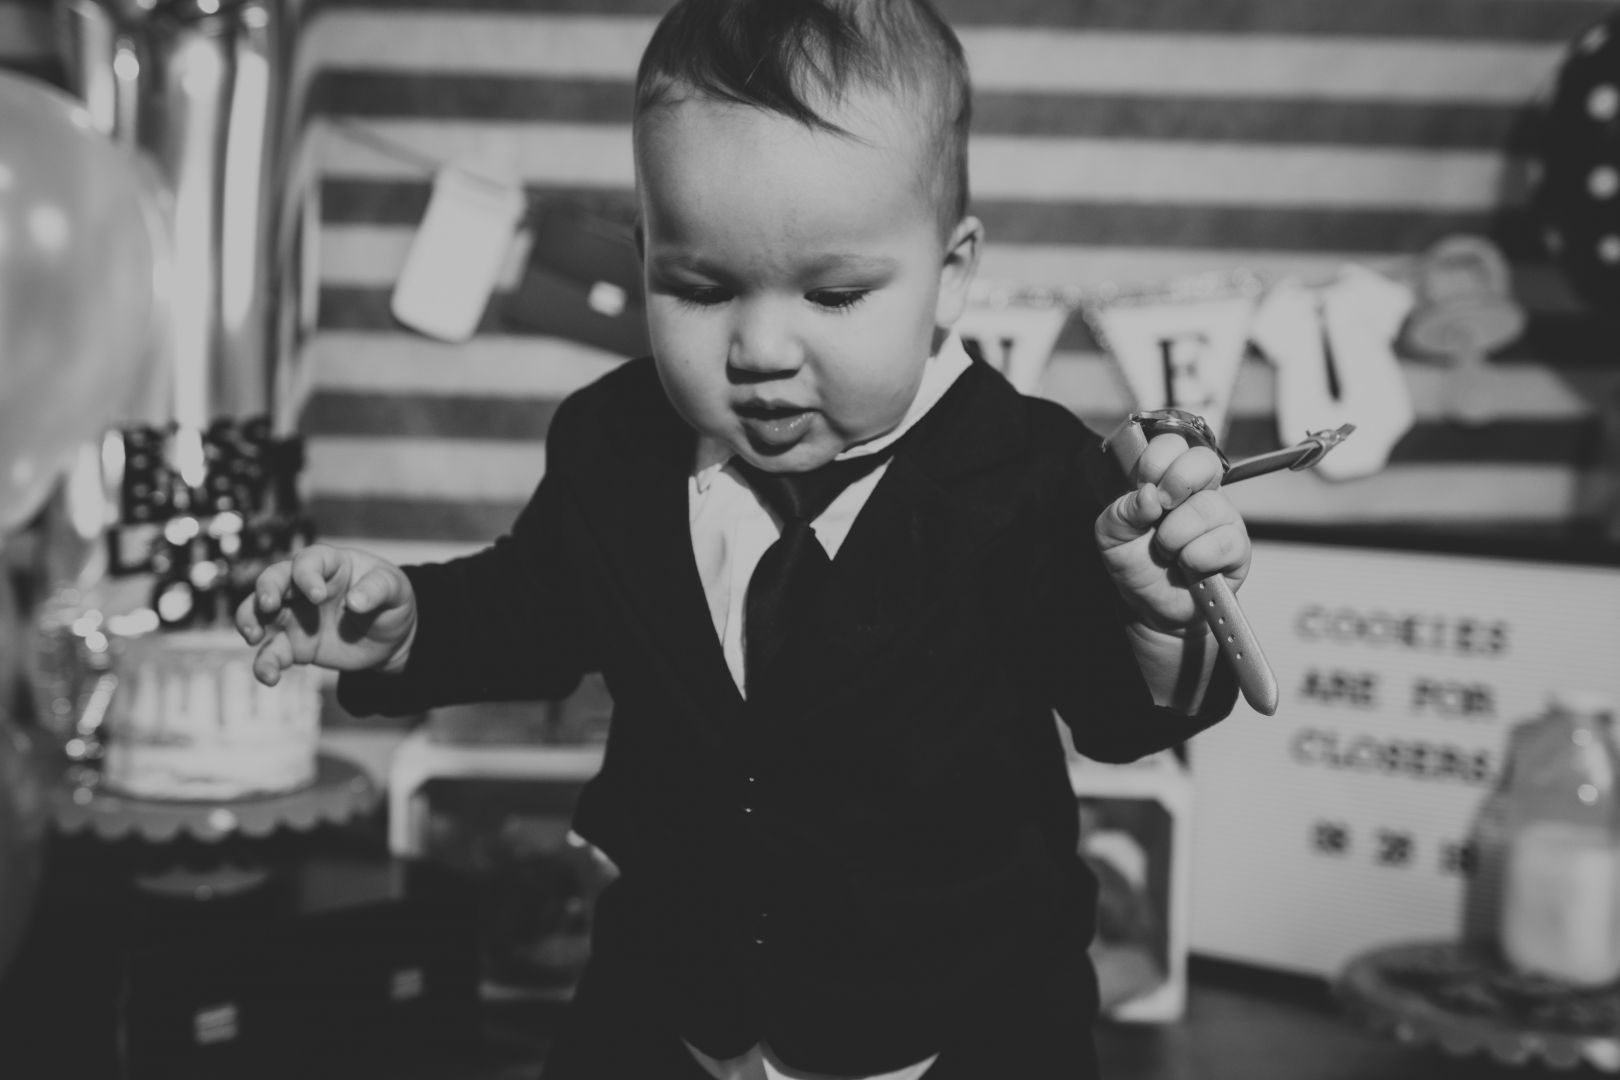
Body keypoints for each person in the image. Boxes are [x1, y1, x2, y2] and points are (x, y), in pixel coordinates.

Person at [236, 0, 1251, 1075]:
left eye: (835, 294)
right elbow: (534, 606)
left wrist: (1160, 619)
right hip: (670, 997)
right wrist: (410, 626)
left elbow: (1118, 710)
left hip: (960, 1019)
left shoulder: (1036, 474)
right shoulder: (612, 443)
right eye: (702, 287)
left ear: (950, 273)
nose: (760, 347)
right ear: (645, 257)